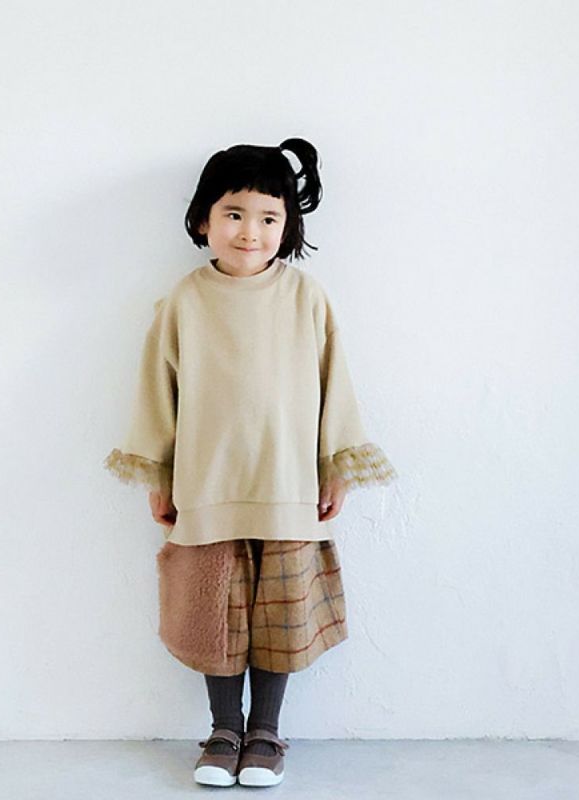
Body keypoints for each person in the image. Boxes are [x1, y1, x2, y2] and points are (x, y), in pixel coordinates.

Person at [104, 137, 397, 788]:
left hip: (289, 487)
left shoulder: (306, 298)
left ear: (287, 226)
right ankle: (223, 730)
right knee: (215, 615)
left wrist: (334, 466)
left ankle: (265, 730)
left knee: (280, 617)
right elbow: (157, 392)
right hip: (207, 488)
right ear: (203, 219)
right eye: (234, 214)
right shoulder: (185, 301)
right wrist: (158, 475)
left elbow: (335, 386)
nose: (250, 231)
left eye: (268, 217)